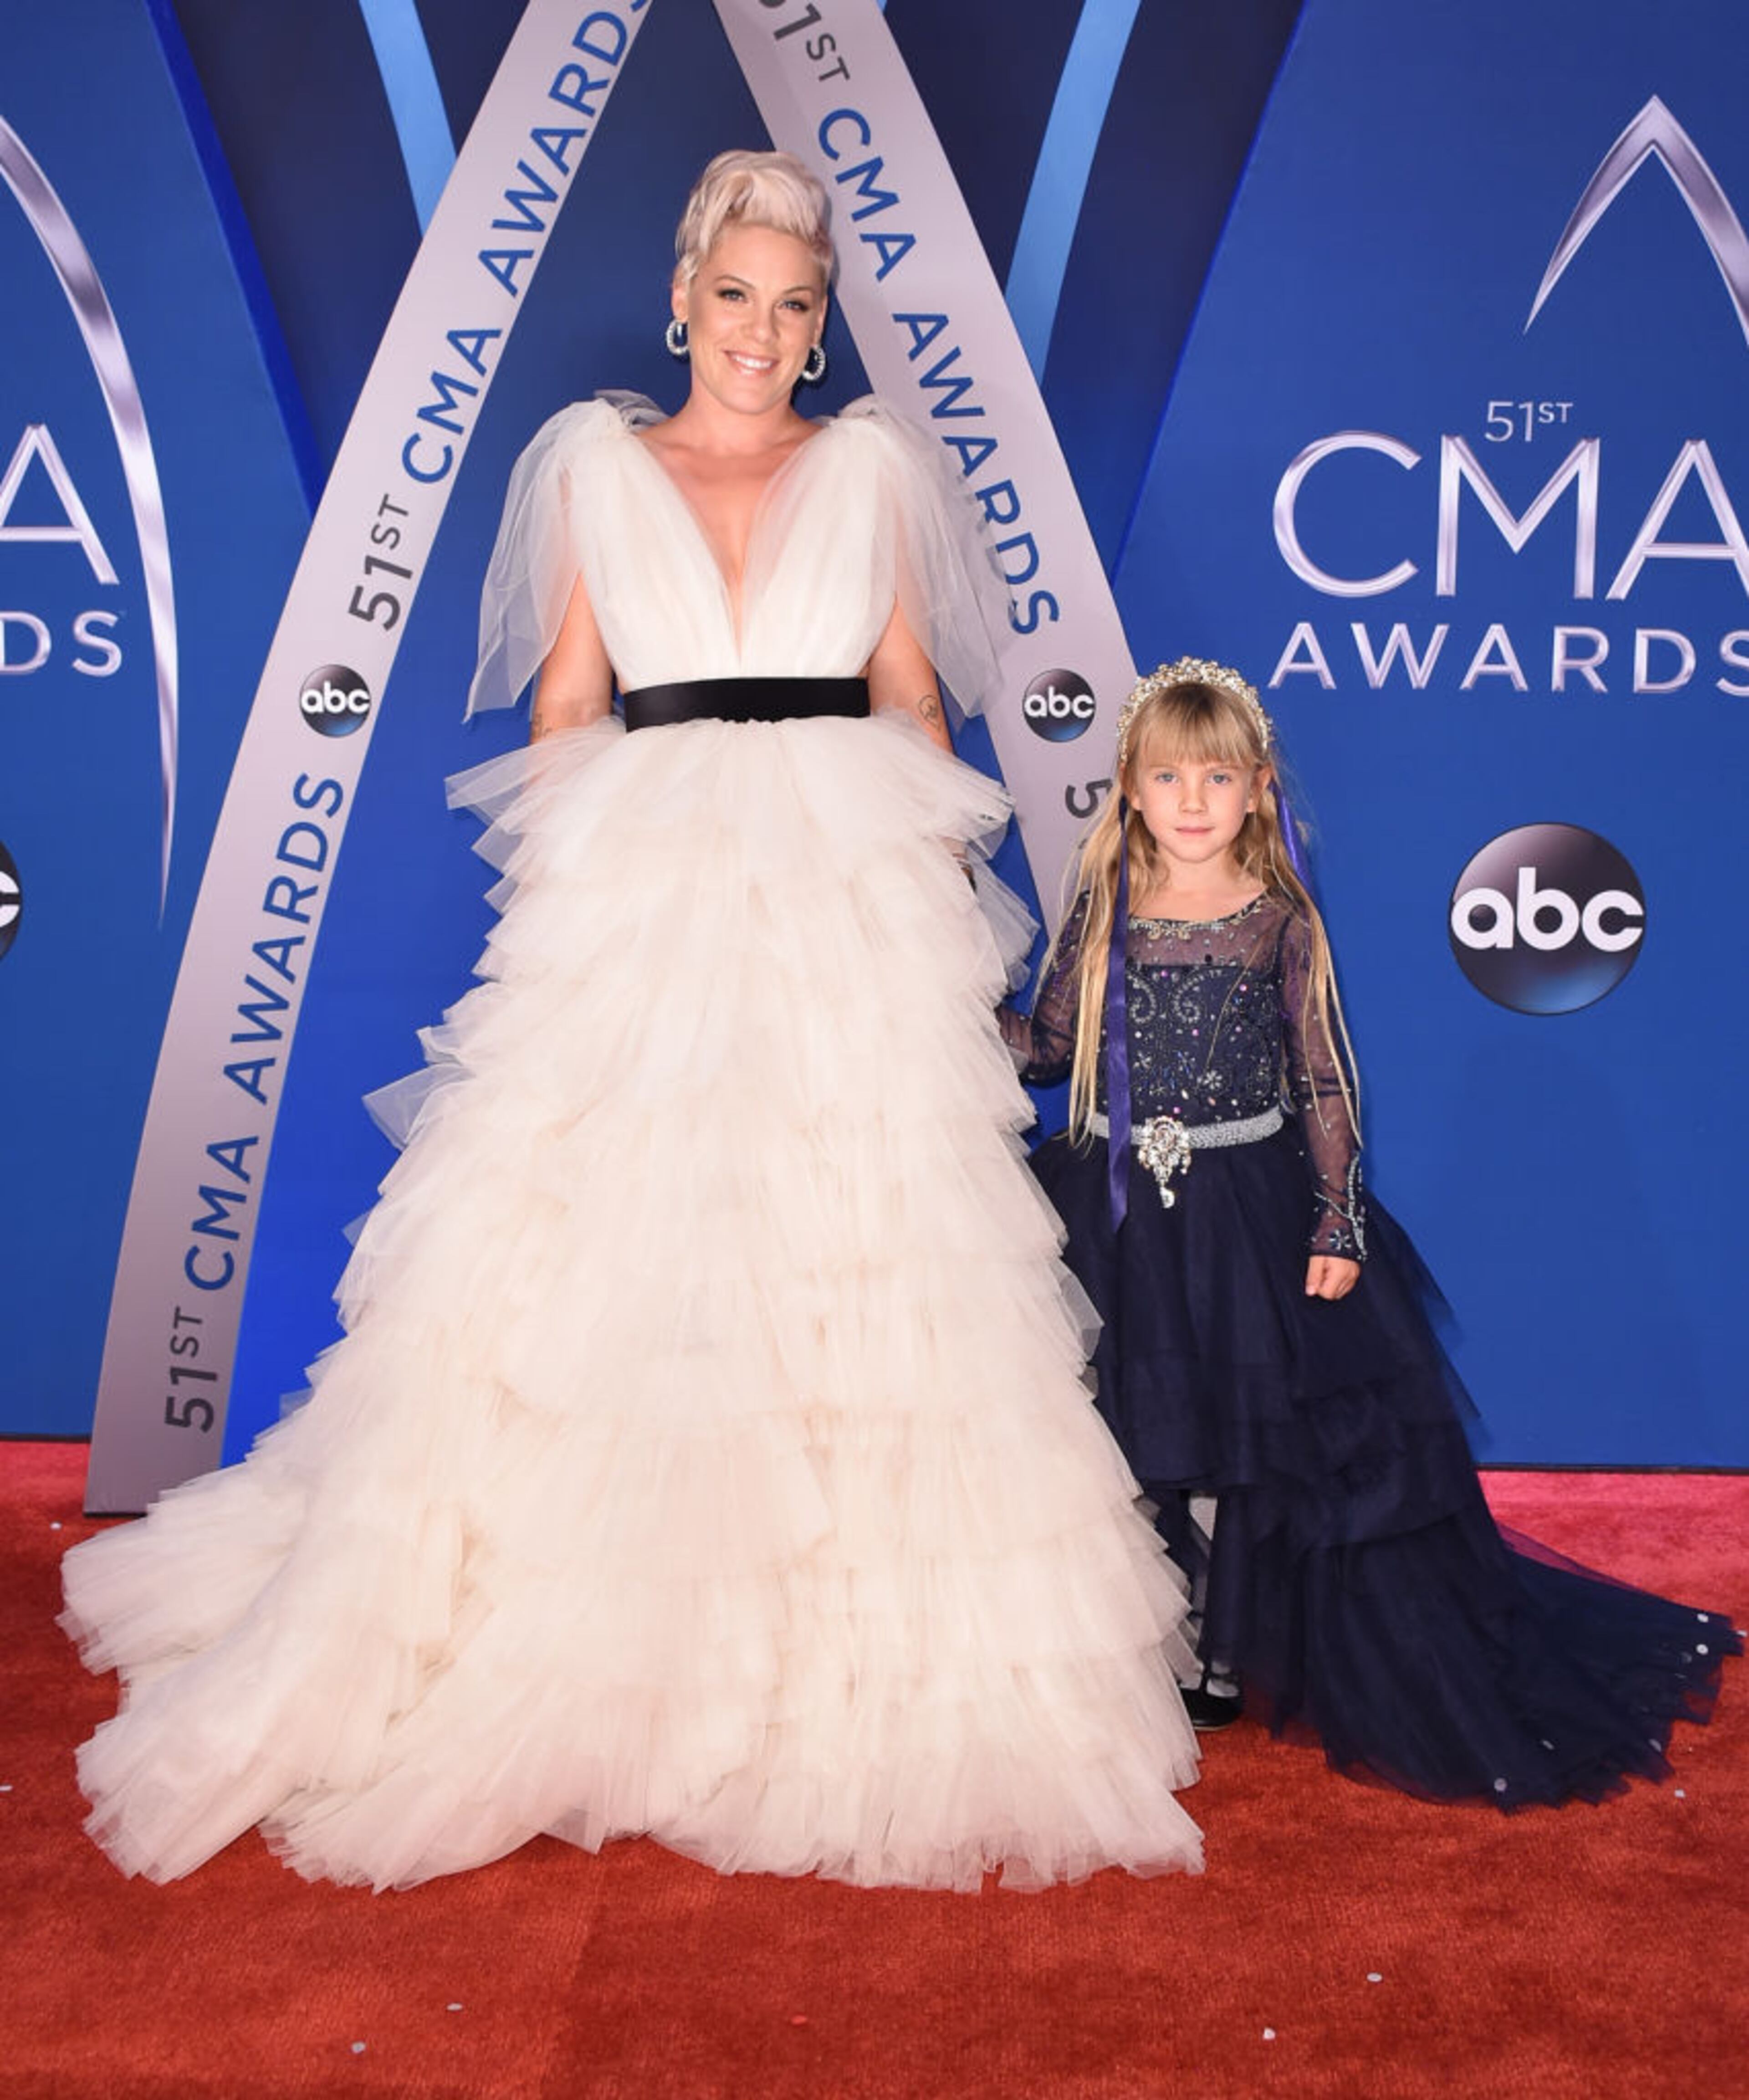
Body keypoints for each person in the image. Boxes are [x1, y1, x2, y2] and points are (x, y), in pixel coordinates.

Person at [60, 153, 1203, 1892]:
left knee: (850, 1249)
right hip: (650, 886)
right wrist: (574, 926)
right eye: (734, 295)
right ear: (683, 300)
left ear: (821, 325)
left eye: (793, 305)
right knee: (618, 1251)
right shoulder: (597, 470)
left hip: (841, 893)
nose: (760, 330)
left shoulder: (873, 469)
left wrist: (946, 928)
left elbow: (911, 694)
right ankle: (595, 1648)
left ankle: (835, 1652)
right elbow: (569, 699)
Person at [1004, 656, 1739, 1800]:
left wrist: (1337, 1222)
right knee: (1127, 1430)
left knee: (1236, 1438)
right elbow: (1050, 1050)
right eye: (1169, 777)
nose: (1193, 801)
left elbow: (1323, 1081)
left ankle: (1221, 1649)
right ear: (1131, 790)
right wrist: (937, 1008)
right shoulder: (1102, 910)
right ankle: (1141, 1641)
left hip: (1245, 1214)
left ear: (1257, 789)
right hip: (1116, 1210)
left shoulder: (1279, 922)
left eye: (1217, 778)